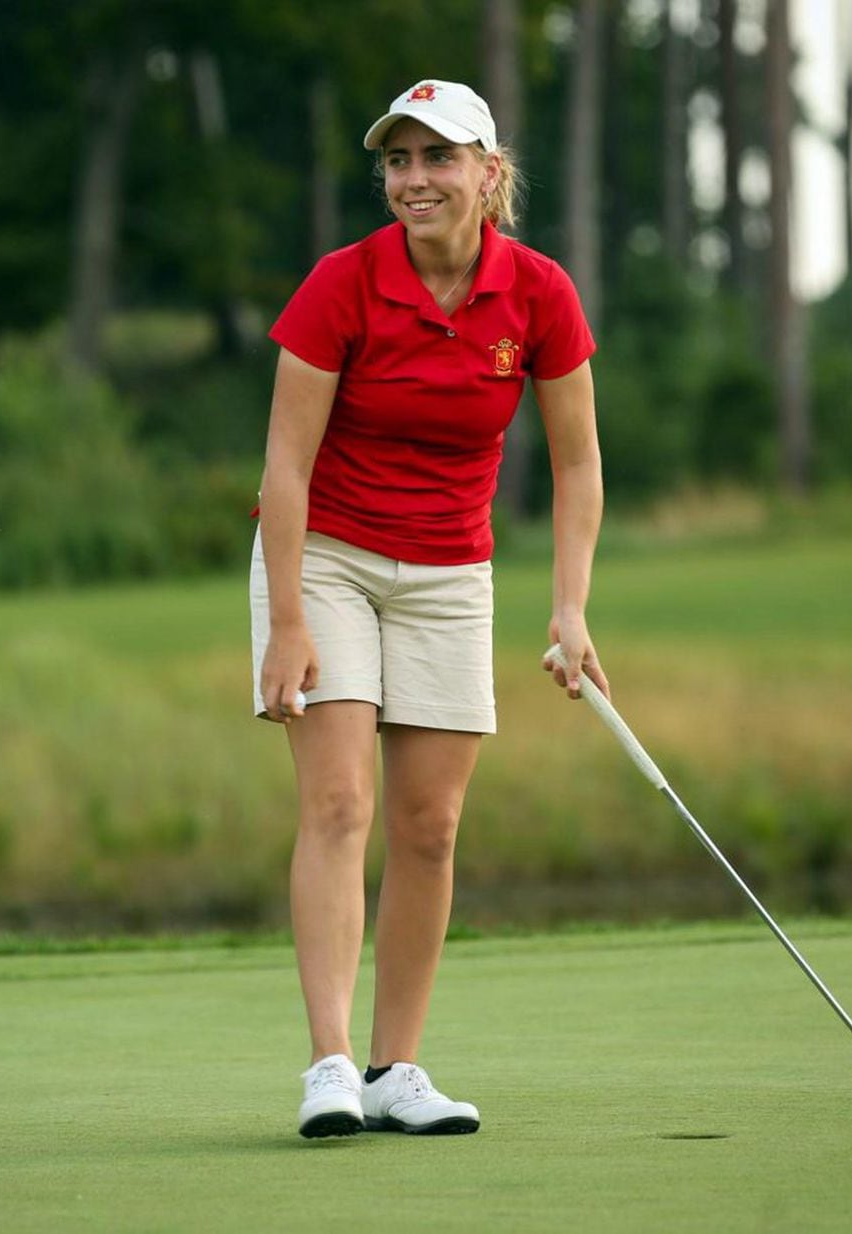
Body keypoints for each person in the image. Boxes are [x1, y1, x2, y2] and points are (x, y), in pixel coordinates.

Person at [250, 78, 610, 1140]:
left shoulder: (539, 293)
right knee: (338, 807)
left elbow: (580, 465)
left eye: (438, 158)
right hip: (327, 556)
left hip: (452, 570)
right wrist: (287, 621)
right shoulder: (342, 283)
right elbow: (284, 459)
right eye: (399, 161)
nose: (415, 180)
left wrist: (572, 607)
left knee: (430, 823)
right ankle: (328, 1065)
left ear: (488, 175)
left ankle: (397, 1068)